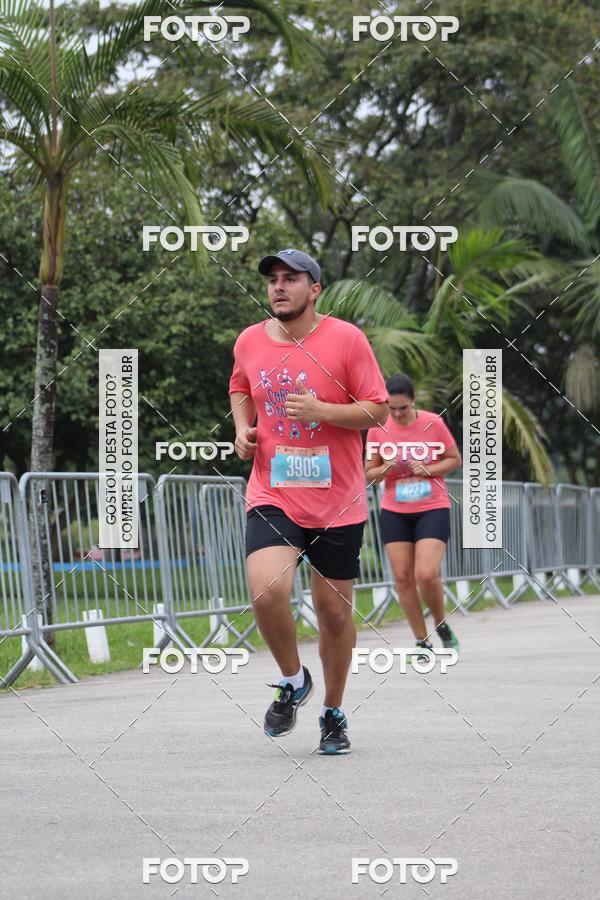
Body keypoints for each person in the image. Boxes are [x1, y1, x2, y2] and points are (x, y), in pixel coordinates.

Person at [229, 248, 388, 754]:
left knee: (335, 615)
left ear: (314, 289)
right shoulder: (250, 340)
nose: (279, 287)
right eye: (273, 279)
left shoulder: (346, 339)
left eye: (290, 279)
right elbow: (239, 386)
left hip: (338, 500)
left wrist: (325, 410)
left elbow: (378, 410)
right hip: (272, 491)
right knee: (267, 590)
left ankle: (333, 713)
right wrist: (242, 429)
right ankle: (294, 679)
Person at [364, 373, 462, 657]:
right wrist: (387, 468)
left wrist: (428, 468)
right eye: (392, 408)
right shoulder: (377, 428)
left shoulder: (433, 423)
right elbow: (368, 474)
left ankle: (441, 623)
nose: (397, 414)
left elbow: (455, 458)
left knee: (427, 574)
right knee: (403, 577)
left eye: (403, 408)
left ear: (413, 400)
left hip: (431, 506)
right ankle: (422, 641)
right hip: (395, 510)